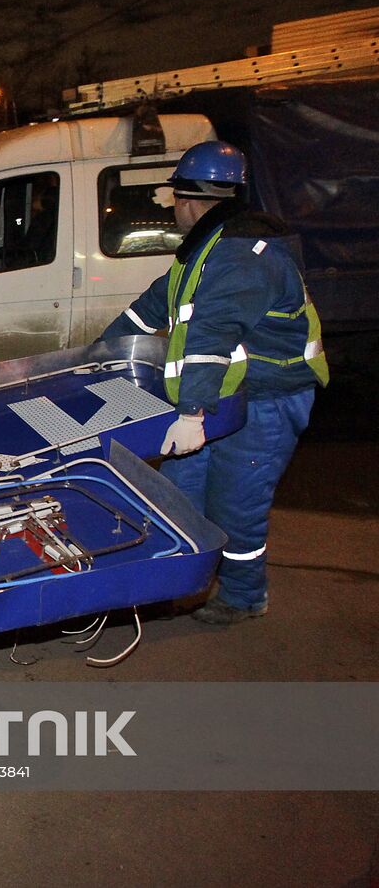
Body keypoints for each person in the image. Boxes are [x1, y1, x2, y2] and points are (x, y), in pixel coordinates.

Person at [98, 140, 327, 625]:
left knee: (234, 507)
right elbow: (145, 313)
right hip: (224, 398)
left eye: (174, 201)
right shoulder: (203, 253)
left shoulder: (242, 258)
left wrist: (190, 413)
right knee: (178, 496)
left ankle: (245, 596)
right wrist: (98, 360)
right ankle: (181, 583)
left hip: (263, 402)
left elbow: (209, 337)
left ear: (188, 200)